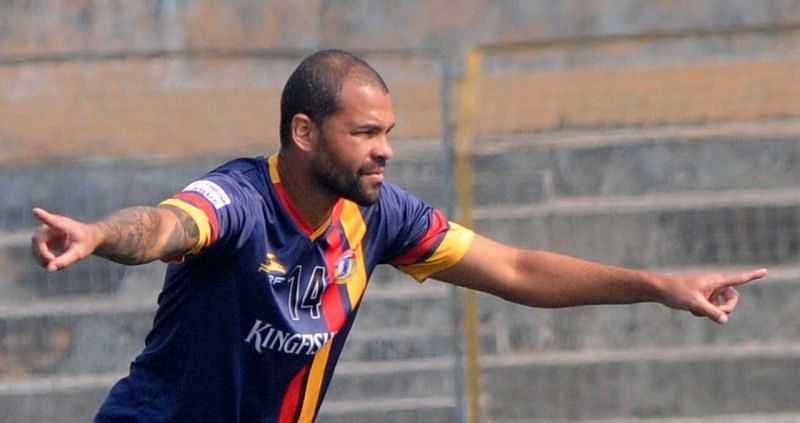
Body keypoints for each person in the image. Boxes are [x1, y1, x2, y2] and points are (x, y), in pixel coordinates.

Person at [30, 49, 767, 422]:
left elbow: (514, 269)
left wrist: (658, 286)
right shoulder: (243, 199)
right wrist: (100, 232)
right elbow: (166, 225)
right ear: (305, 132)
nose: (385, 149)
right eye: (367, 133)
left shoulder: (380, 216)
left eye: (390, 133)